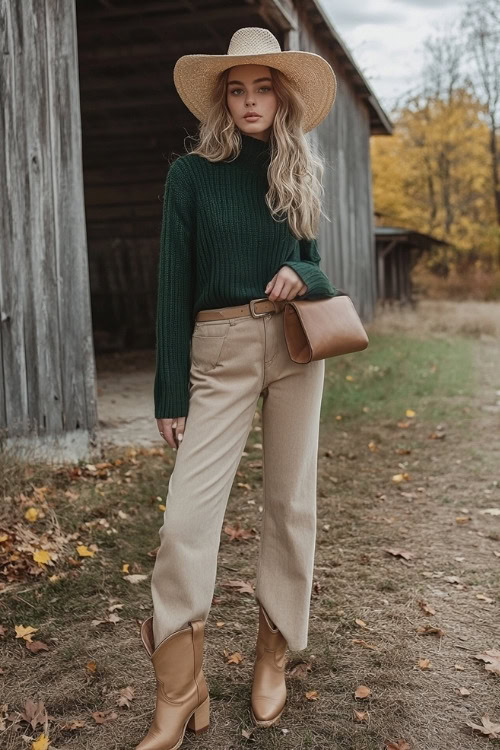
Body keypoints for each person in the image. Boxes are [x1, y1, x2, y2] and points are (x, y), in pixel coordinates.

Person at [136, 26, 338, 750]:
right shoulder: (189, 176)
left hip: (294, 347)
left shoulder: (295, 170)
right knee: (184, 521)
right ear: (223, 99)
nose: (249, 101)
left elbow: (318, 268)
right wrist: (168, 393)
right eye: (237, 89)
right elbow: (172, 287)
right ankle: (180, 689)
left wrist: (304, 276)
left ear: (281, 96)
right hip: (217, 351)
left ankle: (272, 655)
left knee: (289, 505)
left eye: (262, 88)